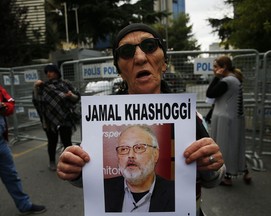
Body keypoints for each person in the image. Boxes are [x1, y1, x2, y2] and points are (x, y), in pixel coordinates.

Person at [57, 23, 225, 216]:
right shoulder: (101, 119)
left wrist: (211, 165)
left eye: (150, 46)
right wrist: (74, 170)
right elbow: (89, 177)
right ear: (119, 71)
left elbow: (214, 179)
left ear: (164, 63)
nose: (139, 57)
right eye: (127, 51)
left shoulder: (192, 118)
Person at [104, 125, 174, 212]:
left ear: (155, 154)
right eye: (124, 149)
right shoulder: (103, 189)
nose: (130, 156)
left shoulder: (175, 192)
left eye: (139, 147)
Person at [0, 85, 46, 214]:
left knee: (11, 175)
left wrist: (3, 107)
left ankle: (24, 205)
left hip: (1, 143)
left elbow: (10, 105)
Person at [206, 55, 252, 186]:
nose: (214, 70)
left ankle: (227, 177)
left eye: (215, 67)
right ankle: (245, 171)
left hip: (225, 119)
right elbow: (222, 100)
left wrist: (216, 77)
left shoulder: (227, 81)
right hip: (232, 118)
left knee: (225, 147)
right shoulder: (234, 79)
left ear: (223, 67)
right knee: (236, 145)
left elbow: (210, 93)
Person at [32, 64, 80, 171]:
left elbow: (76, 98)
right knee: (52, 141)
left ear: (57, 72)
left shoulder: (66, 84)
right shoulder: (44, 86)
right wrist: (35, 87)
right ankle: (52, 161)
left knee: (67, 141)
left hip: (66, 117)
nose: (48, 74)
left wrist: (70, 95)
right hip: (50, 119)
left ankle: (69, 161)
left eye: (51, 71)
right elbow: (36, 101)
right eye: (47, 72)